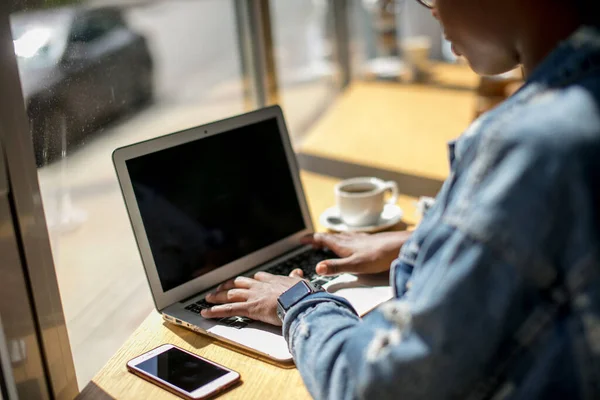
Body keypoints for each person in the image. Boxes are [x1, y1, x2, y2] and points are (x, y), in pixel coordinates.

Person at [201, 0, 600, 398]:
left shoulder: (534, 146)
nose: (433, 11)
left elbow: (371, 385)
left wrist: (296, 301)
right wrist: (424, 240)